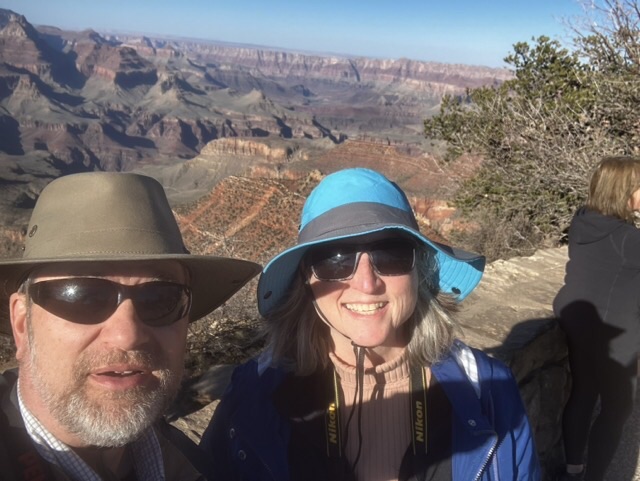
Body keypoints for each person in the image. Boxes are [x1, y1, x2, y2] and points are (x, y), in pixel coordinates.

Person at [201, 167, 541, 481]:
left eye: (391, 254)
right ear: (306, 278)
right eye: (335, 259)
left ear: (418, 270)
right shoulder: (253, 395)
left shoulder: (490, 392)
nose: (367, 283)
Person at [0, 172, 261, 481]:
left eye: (161, 298)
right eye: (84, 297)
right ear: (22, 324)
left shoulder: (193, 464)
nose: (128, 335)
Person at [553, 156, 640, 481]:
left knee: (584, 392)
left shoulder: (584, 221)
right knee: (618, 408)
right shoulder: (627, 240)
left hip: (578, 321)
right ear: (624, 191)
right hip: (615, 331)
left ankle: (573, 470)